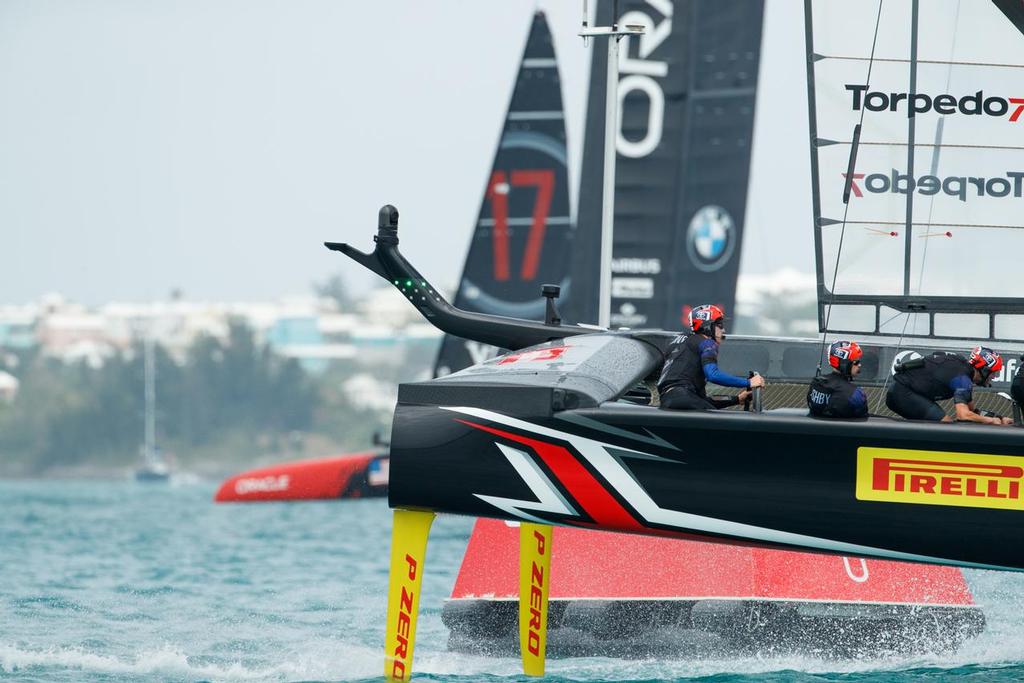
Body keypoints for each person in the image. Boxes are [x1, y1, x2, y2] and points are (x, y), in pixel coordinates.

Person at [658, 304, 765, 410]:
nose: (723, 330)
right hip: (683, 397)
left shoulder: (679, 342)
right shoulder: (707, 342)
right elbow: (713, 375)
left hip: (666, 401)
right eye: (720, 325)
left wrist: (737, 399)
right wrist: (749, 382)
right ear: (708, 326)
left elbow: (702, 400)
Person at [885, 346, 1012, 424]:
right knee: (946, 424)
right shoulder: (963, 379)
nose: (994, 377)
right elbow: (963, 415)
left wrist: (999, 418)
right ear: (984, 371)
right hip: (902, 393)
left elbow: (973, 411)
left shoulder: (963, 370)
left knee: (946, 424)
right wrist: (991, 421)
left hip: (902, 390)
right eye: (993, 373)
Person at [807, 340, 868, 418]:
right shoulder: (855, 394)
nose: (859, 365)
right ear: (844, 364)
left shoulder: (816, 384)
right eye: (856, 362)